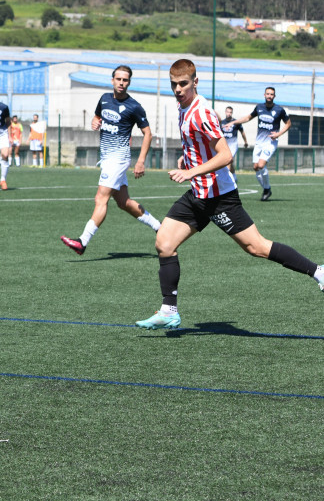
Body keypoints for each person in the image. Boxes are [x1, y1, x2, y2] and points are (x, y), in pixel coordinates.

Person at [136, 59, 324, 330]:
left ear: (195, 82)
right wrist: (186, 159)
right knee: (164, 243)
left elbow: (225, 155)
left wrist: (191, 172)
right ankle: (169, 311)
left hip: (220, 197)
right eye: (174, 84)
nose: (178, 89)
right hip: (199, 194)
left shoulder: (202, 112)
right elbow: (198, 144)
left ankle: (318, 271)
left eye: (183, 84)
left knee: (256, 247)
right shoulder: (182, 106)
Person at [61, 66, 161, 255]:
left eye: (125, 80)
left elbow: (147, 133)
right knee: (124, 202)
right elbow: (97, 116)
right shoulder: (104, 99)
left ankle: (82, 241)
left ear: (129, 82)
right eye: (118, 79)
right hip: (106, 158)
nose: (121, 83)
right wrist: (94, 121)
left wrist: (140, 161)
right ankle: (160, 227)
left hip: (119, 158)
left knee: (101, 198)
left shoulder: (134, 106)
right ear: (112, 80)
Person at [231, 87, 290, 201]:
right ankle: (266, 189)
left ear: (274, 96)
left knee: (261, 165)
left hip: (270, 142)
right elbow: (248, 117)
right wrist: (234, 122)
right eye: (267, 94)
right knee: (255, 167)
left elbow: (288, 123)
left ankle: (267, 189)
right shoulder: (259, 107)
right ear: (264, 95)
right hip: (259, 142)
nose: (269, 96)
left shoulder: (279, 110)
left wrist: (279, 134)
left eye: (271, 94)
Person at [219, 105, 249, 183]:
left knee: (227, 160)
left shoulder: (236, 122)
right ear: (225, 112)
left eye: (230, 112)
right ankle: (234, 176)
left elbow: (242, 132)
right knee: (229, 161)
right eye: (228, 112)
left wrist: (245, 141)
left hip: (233, 145)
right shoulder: (222, 122)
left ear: (232, 113)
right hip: (225, 145)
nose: (229, 113)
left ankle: (227, 181)